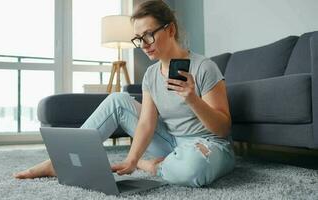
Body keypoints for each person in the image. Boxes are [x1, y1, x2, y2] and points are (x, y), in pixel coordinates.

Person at [14, 0, 235, 187]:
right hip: (171, 141)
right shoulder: (151, 74)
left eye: (148, 35)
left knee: (192, 170)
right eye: (139, 38)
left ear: (170, 29)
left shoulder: (204, 67)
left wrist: (192, 99)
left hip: (209, 144)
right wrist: (131, 159)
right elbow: (147, 123)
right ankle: (59, 161)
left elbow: (223, 128)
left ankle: (156, 166)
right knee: (118, 100)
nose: (143, 45)